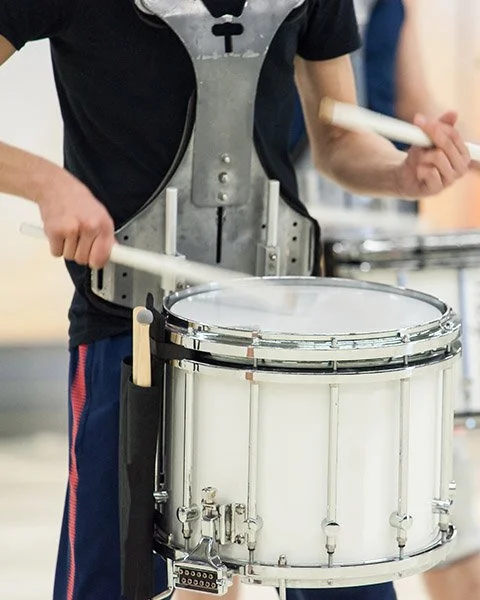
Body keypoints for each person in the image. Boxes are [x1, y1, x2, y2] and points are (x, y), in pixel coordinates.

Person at [0, 1, 472, 600]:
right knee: (113, 584)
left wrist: (401, 172)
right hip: (131, 328)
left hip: (283, 335)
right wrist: (47, 185)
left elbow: (338, 141)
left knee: (339, 573)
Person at [291, 2, 480, 600]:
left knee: (433, 489)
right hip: (290, 254)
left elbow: (414, 108)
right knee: (239, 519)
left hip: (385, 260)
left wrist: (442, 149)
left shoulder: (393, 4)